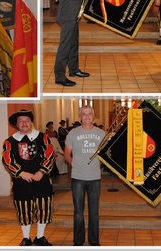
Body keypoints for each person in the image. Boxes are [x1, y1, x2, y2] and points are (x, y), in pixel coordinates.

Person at [1, 109, 55, 246]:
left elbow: (50, 154)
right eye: (21, 121)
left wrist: (41, 172)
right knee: (23, 209)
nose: (24, 123)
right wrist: (21, 173)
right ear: (17, 124)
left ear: (31, 122)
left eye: (26, 120)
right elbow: (7, 160)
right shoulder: (9, 142)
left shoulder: (43, 137)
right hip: (21, 182)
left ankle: (40, 237)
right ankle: (26, 238)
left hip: (41, 180)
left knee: (43, 208)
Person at [54, 0, 103, 86]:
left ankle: (74, 70)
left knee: (73, 44)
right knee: (65, 46)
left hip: (73, 13)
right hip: (68, 13)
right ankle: (59, 76)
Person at [64, 105, 105, 246]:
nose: (87, 116)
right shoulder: (73, 133)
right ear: (80, 116)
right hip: (78, 178)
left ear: (93, 116)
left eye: (89, 114)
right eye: (84, 114)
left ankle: (94, 241)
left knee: (94, 213)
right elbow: (67, 154)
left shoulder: (101, 133)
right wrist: (75, 165)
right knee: (78, 213)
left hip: (95, 178)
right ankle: (78, 241)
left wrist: (98, 165)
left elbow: (105, 155)